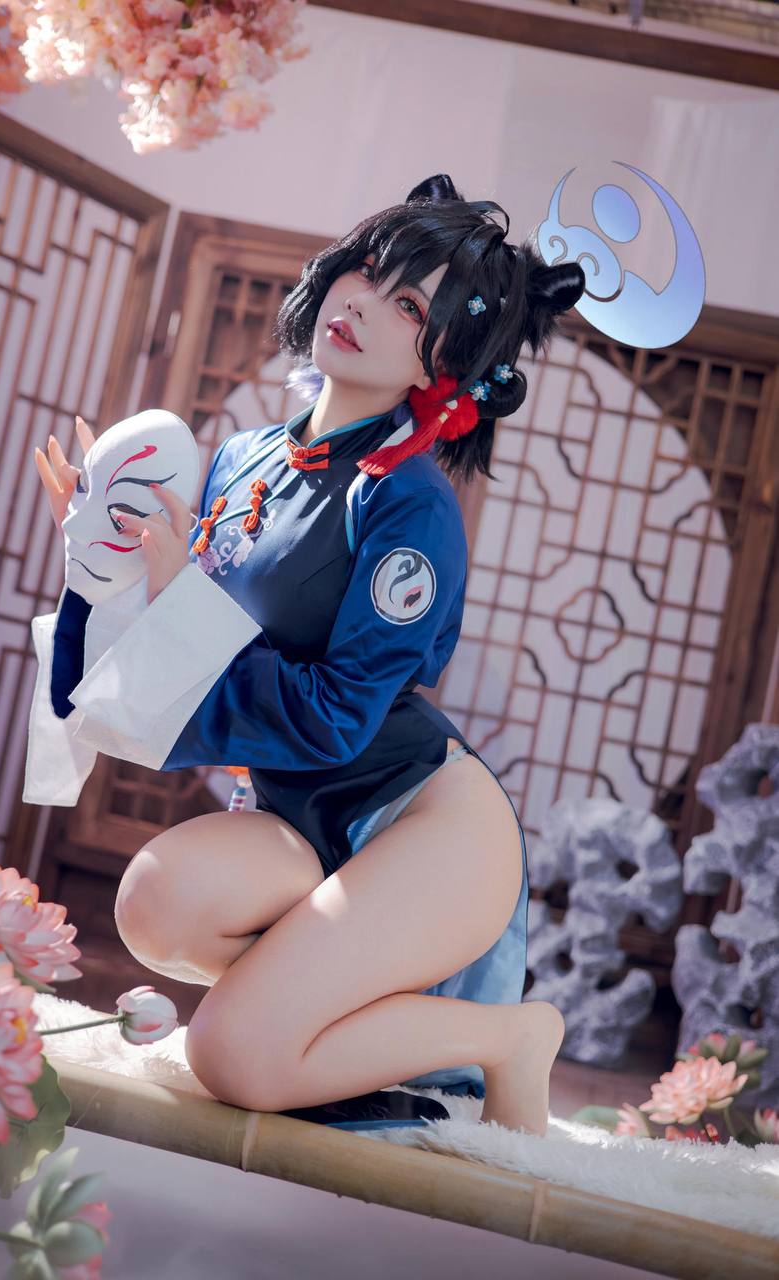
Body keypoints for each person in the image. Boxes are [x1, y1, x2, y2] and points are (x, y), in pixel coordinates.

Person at [34, 173, 585, 1133]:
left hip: (423, 824)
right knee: (155, 903)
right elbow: (163, 659)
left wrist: (183, 599)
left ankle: (508, 1037)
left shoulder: (410, 502)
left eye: (408, 306)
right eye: (366, 271)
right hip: (298, 817)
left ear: (445, 364)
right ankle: (309, 1008)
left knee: (230, 1056)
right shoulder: (244, 457)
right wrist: (101, 558)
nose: (362, 303)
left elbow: (333, 716)